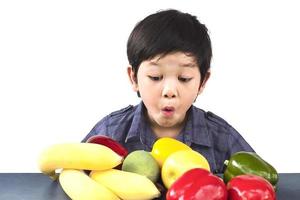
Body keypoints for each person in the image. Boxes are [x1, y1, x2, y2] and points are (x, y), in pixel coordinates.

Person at [82, 9, 254, 173]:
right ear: (134, 78)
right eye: (156, 77)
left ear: (203, 81)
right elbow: (71, 178)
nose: (169, 91)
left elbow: (263, 185)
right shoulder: (111, 130)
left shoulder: (221, 136)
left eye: (184, 78)